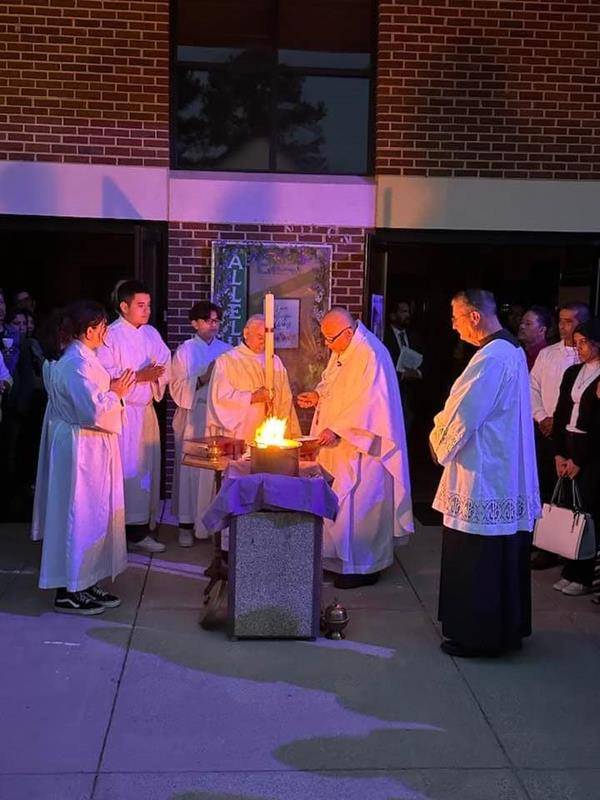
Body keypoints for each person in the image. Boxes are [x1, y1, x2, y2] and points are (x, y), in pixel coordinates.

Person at [430, 289, 540, 658]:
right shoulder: (512, 351)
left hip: (483, 476)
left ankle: (476, 636)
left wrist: (437, 441)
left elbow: (464, 414)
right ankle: (506, 630)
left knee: (476, 558)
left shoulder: (490, 358)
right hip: (502, 471)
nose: (453, 324)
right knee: (502, 554)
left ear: (474, 316)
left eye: (456, 316)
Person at [31, 301, 136, 614]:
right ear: (91, 329)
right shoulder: (75, 362)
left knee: (93, 515)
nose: (105, 332)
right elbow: (90, 410)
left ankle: (86, 581)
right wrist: (116, 392)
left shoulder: (81, 358)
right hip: (81, 450)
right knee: (79, 515)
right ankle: (69, 589)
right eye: (102, 326)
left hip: (89, 447)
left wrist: (114, 390)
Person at [297, 307, 414, 589]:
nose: (326, 344)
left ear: (347, 332)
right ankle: (335, 560)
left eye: (330, 338)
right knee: (336, 501)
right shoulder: (345, 349)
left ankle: (363, 567)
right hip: (337, 447)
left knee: (359, 504)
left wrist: (336, 429)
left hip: (363, 448)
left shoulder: (370, 355)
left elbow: (370, 406)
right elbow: (333, 384)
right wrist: (317, 395)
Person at [97, 280, 171, 554]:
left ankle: (140, 531)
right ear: (123, 306)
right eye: (140, 305)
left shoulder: (151, 333)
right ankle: (118, 532)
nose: (146, 310)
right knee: (124, 472)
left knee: (144, 472)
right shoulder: (111, 335)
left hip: (144, 411)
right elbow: (106, 375)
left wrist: (153, 376)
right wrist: (140, 376)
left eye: (149, 305)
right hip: (123, 414)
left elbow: (165, 363)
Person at [529, 302, 590, 570]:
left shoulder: (586, 358)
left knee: (574, 491)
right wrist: (542, 416)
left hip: (575, 433)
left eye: (570, 321)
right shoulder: (547, 354)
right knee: (545, 487)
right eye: (561, 321)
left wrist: (561, 421)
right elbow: (532, 387)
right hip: (547, 430)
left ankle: (574, 549)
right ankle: (546, 545)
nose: (563, 326)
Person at [170, 301, 231, 547]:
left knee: (214, 472)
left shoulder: (227, 350)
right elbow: (176, 387)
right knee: (190, 470)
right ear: (194, 323)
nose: (213, 325)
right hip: (193, 416)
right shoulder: (185, 351)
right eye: (208, 320)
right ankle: (186, 524)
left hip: (217, 419)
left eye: (216, 321)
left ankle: (211, 524)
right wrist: (204, 377)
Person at [551, 317, 600, 596]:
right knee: (569, 508)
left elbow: (597, 426)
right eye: (577, 343)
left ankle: (583, 576)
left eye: (584, 343)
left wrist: (579, 460)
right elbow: (560, 413)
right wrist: (558, 452)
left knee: (587, 511)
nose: (579, 348)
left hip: (590, 451)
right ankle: (569, 569)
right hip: (567, 443)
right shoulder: (573, 372)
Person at [206, 314, 299, 442]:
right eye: (260, 337)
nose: (264, 342)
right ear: (246, 333)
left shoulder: (275, 361)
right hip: (241, 434)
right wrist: (252, 397)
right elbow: (220, 400)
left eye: (268, 338)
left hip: (271, 435)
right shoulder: (227, 361)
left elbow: (285, 400)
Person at [383, 300, 424, 434]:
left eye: (408, 312)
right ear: (393, 315)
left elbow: (425, 360)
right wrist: (401, 375)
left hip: (411, 397)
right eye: (403, 312)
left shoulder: (415, 336)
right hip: (391, 394)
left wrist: (418, 372)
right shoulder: (383, 337)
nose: (407, 315)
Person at [518, 305, 552, 371]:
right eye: (521, 322)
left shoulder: (548, 356)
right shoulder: (519, 351)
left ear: (542, 330)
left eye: (528, 324)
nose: (522, 326)